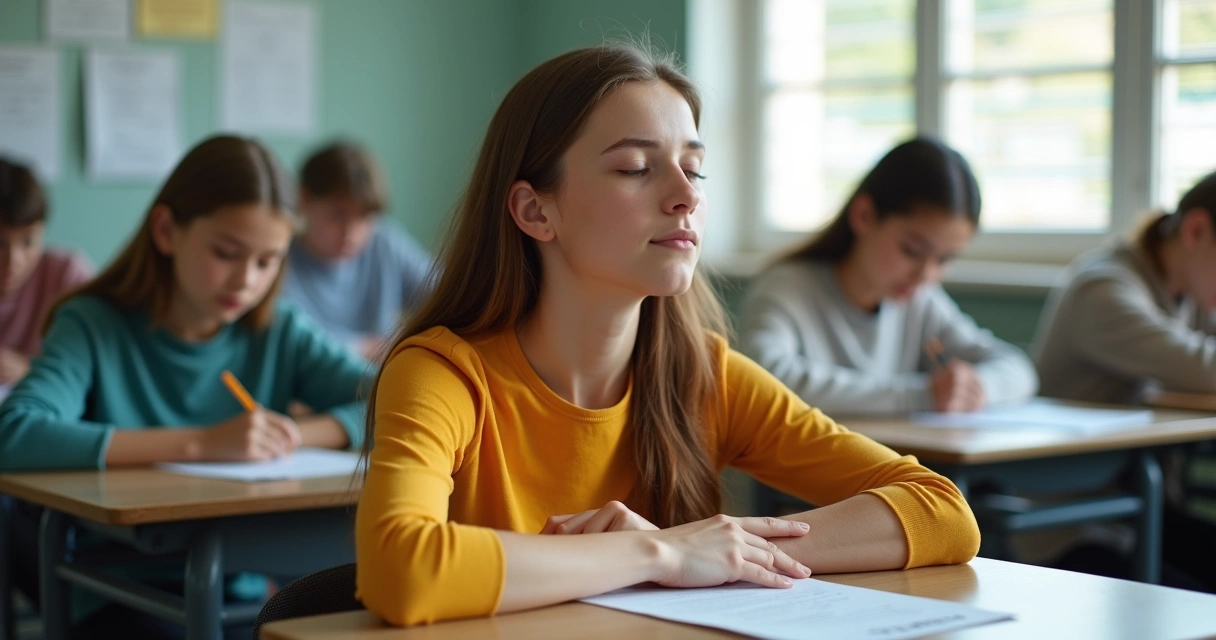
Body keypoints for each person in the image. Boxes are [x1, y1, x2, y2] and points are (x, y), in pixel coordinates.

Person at [354, 45, 980, 627]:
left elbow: (943, 512)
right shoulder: (442, 374)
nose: (685, 196)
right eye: (635, 168)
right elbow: (401, 571)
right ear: (534, 211)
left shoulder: (705, 375)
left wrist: (723, 549)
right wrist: (659, 553)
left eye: (694, 169)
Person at [0, 135, 370, 637]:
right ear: (166, 231)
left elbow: (393, 398)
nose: (246, 280)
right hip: (112, 586)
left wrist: (292, 436)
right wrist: (204, 443)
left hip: (234, 591)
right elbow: (15, 433)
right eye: (226, 252)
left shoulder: (278, 329)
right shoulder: (92, 324)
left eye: (267, 262)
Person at [739, 137, 1038, 416]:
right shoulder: (785, 289)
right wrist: (922, 396)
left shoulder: (921, 301)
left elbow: (1018, 369)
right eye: (913, 250)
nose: (926, 274)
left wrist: (975, 388)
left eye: (945, 259)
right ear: (864, 216)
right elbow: (763, 381)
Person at [1033, 170, 1216, 592]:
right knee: (1194, 606)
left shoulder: (1189, 293)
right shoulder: (1102, 288)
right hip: (1068, 524)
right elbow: (1205, 367)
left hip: (1136, 510)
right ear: (1197, 230)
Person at [281, 140, 433, 359]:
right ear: (305, 199)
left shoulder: (385, 243)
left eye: (364, 217)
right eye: (338, 214)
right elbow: (292, 343)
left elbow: (446, 294)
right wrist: (365, 348)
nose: (351, 232)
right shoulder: (278, 261)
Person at [0, 157, 93, 391]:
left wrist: (30, 371)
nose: (13, 260)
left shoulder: (67, 275)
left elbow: (97, 363)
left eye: (28, 241)